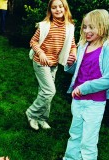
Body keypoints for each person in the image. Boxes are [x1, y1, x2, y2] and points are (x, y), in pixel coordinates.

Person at [63, 9, 109, 160]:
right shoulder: (82, 46)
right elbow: (77, 71)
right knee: (75, 135)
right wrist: (70, 64)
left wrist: (85, 88)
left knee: (88, 142)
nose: (86, 31)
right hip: (77, 100)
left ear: (103, 27)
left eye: (91, 27)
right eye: (85, 27)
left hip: (95, 103)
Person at [25, 0, 77, 130]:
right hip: (40, 62)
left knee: (44, 91)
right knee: (49, 91)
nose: (58, 9)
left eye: (60, 7)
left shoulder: (69, 27)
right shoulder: (45, 25)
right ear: (50, 11)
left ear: (65, 8)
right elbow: (33, 41)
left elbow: (72, 45)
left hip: (54, 64)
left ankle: (41, 118)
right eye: (54, 7)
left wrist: (74, 54)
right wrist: (41, 53)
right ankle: (31, 113)